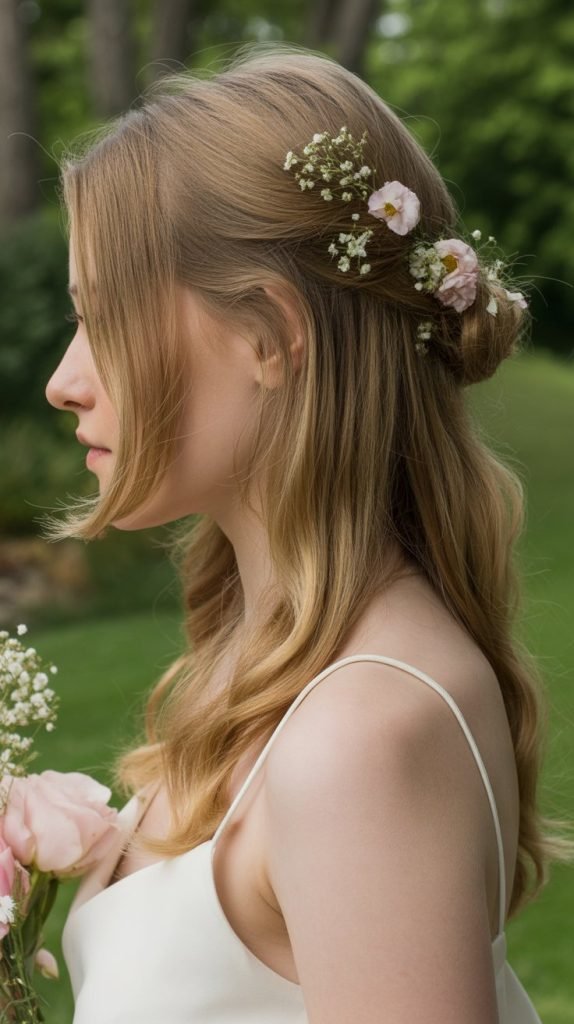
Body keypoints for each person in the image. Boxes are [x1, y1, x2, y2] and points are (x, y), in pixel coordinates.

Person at [43, 45, 571, 1024]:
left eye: (102, 318)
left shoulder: (361, 732)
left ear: (268, 337)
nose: (65, 379)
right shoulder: (270, 663)